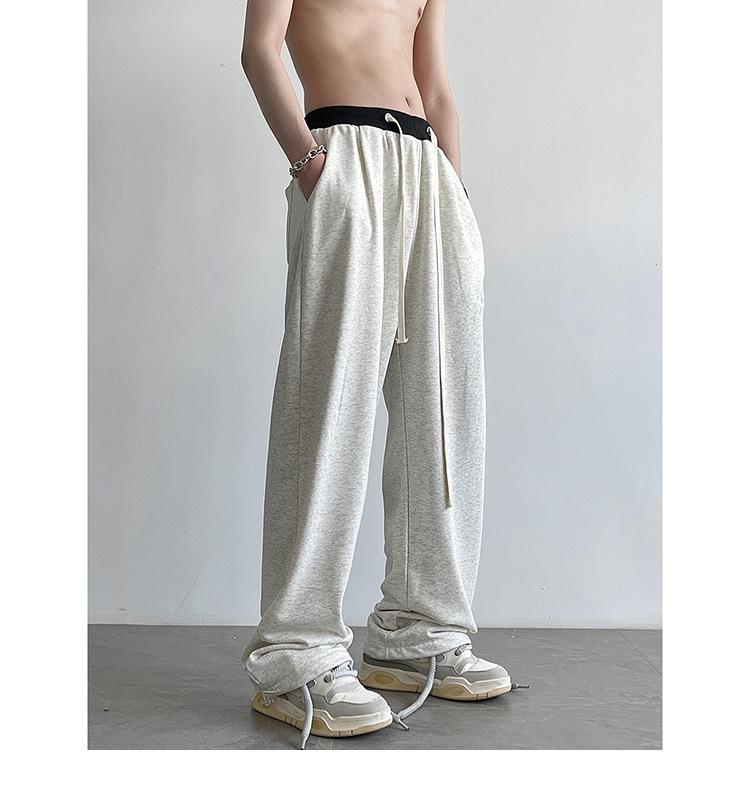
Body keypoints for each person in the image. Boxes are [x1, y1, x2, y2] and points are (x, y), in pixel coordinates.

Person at [240, 0, 513, 749]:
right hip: (342, 154)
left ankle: (419, 632)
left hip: (428, 166)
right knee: (327, 403)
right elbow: (260, 49)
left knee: (443, 406)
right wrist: (310, 164)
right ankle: (296, 652)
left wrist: (457, 196)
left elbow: (437, 83)